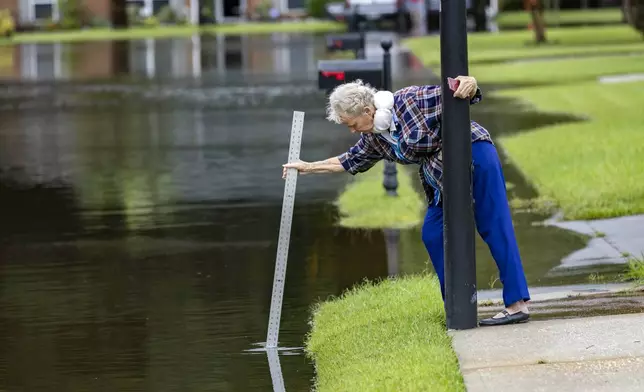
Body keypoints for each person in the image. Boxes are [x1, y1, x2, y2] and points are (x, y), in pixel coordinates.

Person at [282, 77, 531, 327]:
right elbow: (347, 161)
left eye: (353, 124)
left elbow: (460, 93)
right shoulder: (375, 138)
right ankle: (458, 306)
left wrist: (470, 83)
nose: (352, 131)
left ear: (368, 111)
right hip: (442, 177)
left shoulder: (412, 99)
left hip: (474, 154)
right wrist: (307, 167)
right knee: (433, 234)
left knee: (493, 224)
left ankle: (517, 304)